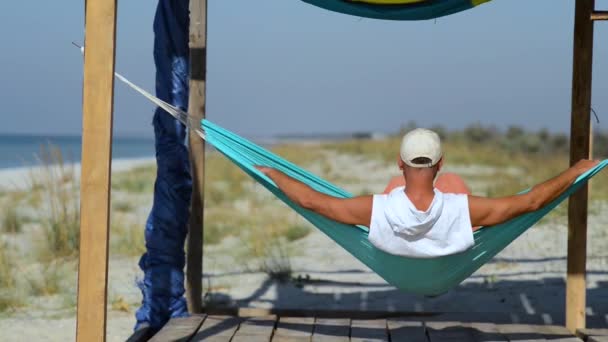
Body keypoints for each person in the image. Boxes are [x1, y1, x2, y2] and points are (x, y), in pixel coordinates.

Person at [255, 128, 598, 258]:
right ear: (440, 164)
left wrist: (275, 174)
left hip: (397, 260)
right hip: (450, 260)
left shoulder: (378, 209)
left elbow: (314, 201)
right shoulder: (462, 210)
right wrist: (575, 171)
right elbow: (533, 200)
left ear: (399, 164)